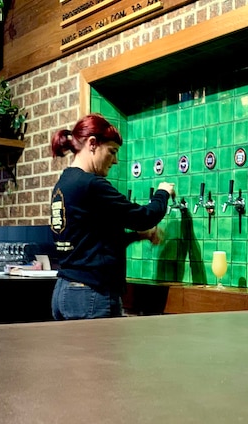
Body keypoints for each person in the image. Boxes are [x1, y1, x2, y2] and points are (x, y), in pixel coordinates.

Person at [49, 113, 175, 320]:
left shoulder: (64, 183)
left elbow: (91, 243)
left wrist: (139, 236)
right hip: (91, 293)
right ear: (92, 143)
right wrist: (162, 193)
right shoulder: (91, 184)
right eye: (112, 151)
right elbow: (144, 217)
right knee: (101, 354)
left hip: (65, 291)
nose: (115, 160)